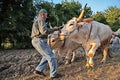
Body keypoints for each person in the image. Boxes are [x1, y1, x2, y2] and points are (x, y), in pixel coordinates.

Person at [31, 9, 61, 79]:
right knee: (52, 56)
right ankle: (54, 75)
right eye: (46, 15)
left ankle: (38, 70)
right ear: (42, 14)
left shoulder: (38, 20)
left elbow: (43, 30)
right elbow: (44, 31)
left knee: (46, 56)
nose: (46, 17)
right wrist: (54, 29)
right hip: (39, 40)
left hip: (36, 40)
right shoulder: (41, 19)